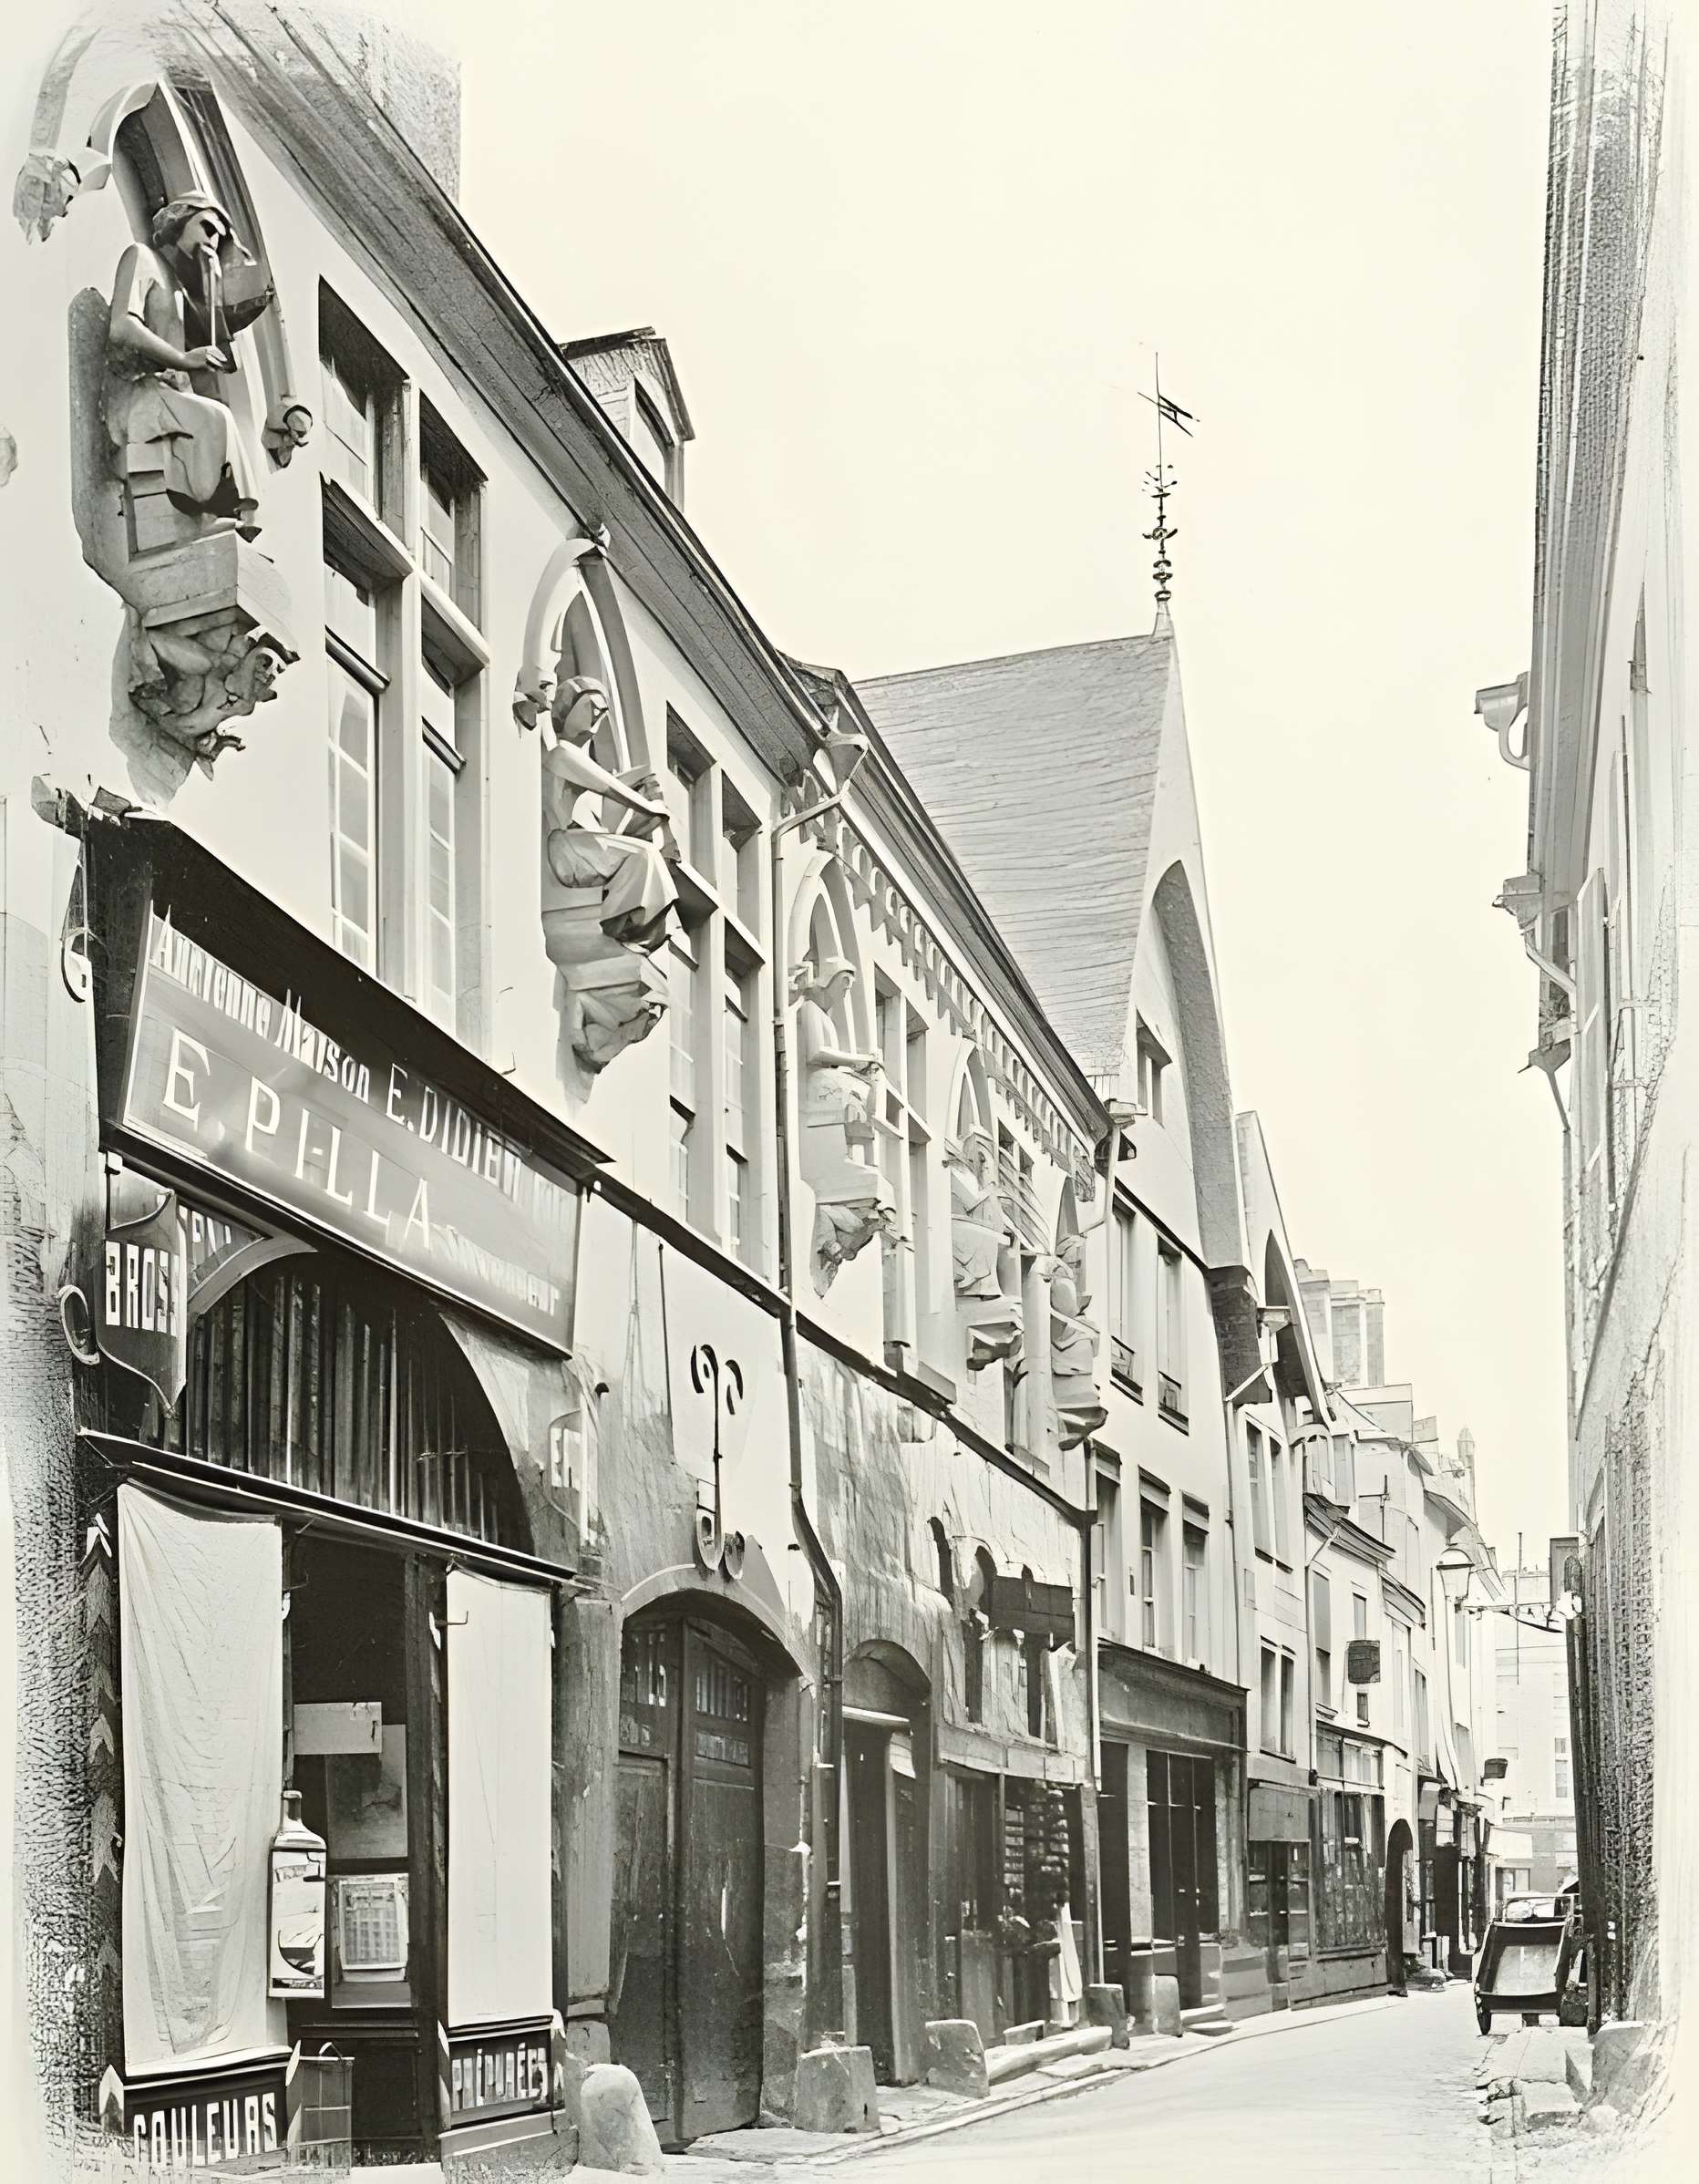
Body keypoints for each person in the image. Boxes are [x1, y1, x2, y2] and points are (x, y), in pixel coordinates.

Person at [106, 193, 271, 529]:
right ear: (179, 221)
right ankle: (223, 511)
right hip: (135, 395)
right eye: (207, 228)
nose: (213, 241)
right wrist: (182, 360)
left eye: (219, 238)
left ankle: (225, 513)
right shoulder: (142, 258)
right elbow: (122, 326)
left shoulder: (183, 292)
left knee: (216, 419)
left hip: (166, 399)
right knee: (216, 418)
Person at [541, 676, 678, 950]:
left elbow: (613, 787)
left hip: (578, 847)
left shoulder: (579, 758)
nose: (598, 713)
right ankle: (621, 922)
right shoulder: (562, 754)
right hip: (564, 847)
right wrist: (650, 808)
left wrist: (651, 798)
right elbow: (609, 787)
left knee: (646, 855)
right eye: (591, 705)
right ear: (568, 709)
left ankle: (633, 922)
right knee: (643, 856)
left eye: (603, 709)